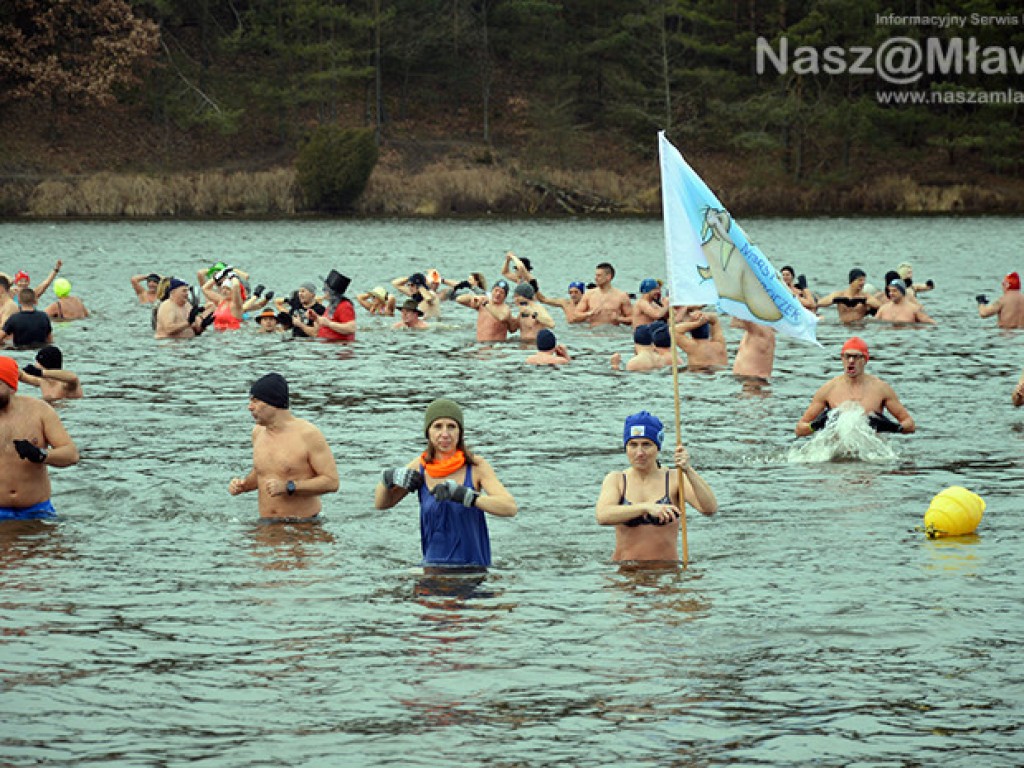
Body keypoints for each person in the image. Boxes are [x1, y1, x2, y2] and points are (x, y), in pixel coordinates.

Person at [373, 398, 517, 568]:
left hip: (474, 568)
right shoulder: (419, 467)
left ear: (460, 432)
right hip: (432, 567)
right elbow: (382, 504)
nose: (445, 433)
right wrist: (387, 479)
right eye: (438, 426)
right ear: (428, 432)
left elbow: (509, 507)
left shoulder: (476, 466)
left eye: (451, 426)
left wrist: (467, 496)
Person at [595, 411, 717, 563]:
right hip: (626, 574)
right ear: (626, 447)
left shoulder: (674, 478)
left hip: (666, 573)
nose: (639, 453)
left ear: (657, 447)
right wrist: (646, 508)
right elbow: (603, 515)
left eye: (646, 444)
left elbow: (709, 508)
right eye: (633, 445)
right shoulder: (617, 479)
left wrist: (688, 470)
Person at [228, 373, 339, 521]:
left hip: (304, 525)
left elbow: (332, 482)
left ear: (273, 404)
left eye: (255, 401)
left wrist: (289, 487)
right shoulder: (258, 433)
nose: (249, 407)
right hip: (266, 524)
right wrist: (244, 485)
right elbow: (264, 472)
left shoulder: (308, 434)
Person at [0, 355, 80, 520]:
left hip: (37, 510)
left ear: (11, 387)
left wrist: (41, 454)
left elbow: (71, 454)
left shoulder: (39, 411)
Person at [795, 337, 915, 436]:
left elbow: (910, 425)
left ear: (865, 359)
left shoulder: (881, 389)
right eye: (847, 356)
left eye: (856, 357)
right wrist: (816, 425)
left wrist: (893, 427)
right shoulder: (828, 390)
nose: (851, 361)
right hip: (836, 457)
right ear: (842, 359)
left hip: (871, 457)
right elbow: (800, 429)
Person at [815, 268, 882, 324]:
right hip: (843, 327)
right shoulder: (839, 294)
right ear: (852, 281)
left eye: (864, 280)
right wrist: (837, 300)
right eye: (860, 280)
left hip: (859, 328)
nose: (863, 283)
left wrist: (862, 301)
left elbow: (879, 305)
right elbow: (820, 303)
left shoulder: (866, 296)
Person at [575, 262, 632, 327]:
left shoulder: (621, 296)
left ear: (608, 277)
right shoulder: (589, 294)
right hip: (593, 333)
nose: (595, 278)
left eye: (599, 275)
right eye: (595, 275)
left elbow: (632, 318)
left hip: (613, 333)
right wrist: (588, 314)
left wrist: (619, 319)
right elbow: (576, 315)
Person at [18, 345, 82, 401]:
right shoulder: (42, 381)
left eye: (37, 362)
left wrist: (40, 372)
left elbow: (73, 378)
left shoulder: (66, 384)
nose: (35, 365)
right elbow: (21, 375)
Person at [308, 270, 357, 341]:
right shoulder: (332, 305)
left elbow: (351, 328)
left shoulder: (345, 306)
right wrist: (316, 318)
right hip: (327, 345)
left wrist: (329, 324)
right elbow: (326, 323)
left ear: (332, 293)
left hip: (338, 347)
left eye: (325, 289)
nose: (323, 292)